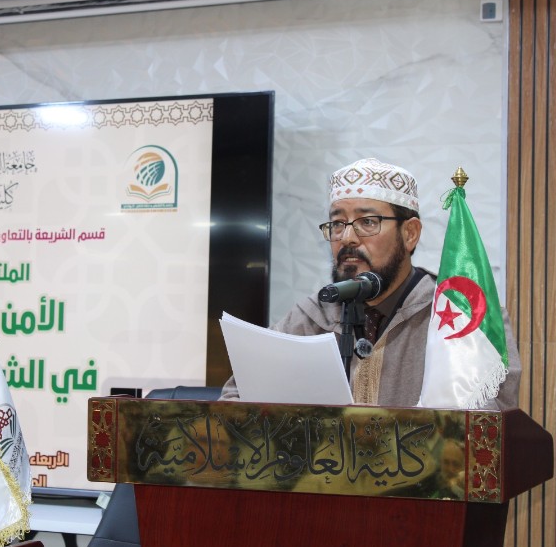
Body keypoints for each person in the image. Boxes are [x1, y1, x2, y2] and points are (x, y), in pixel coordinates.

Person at [221, 158, 520, 408]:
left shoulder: (459, 319)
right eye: (338, 224)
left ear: (410, 234)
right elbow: (235, 399)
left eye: (367, 222)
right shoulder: (311, 317)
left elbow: (492, 423)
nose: (347, 238)